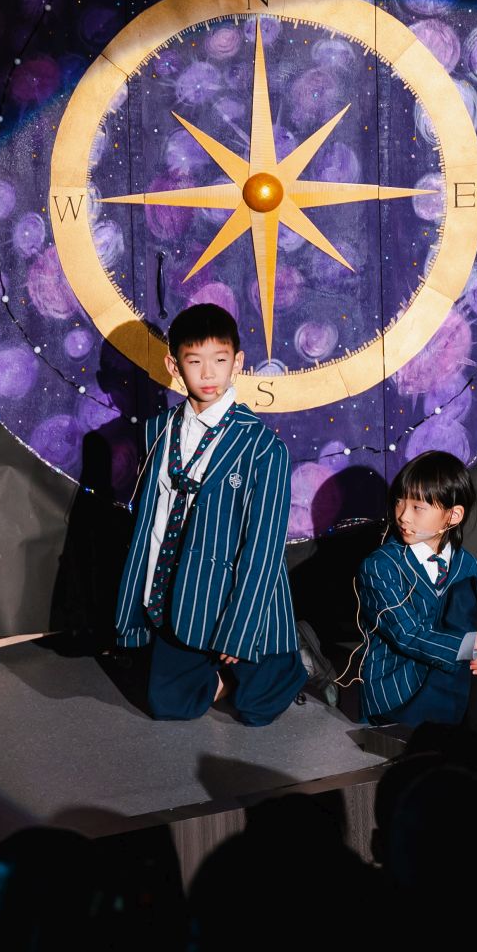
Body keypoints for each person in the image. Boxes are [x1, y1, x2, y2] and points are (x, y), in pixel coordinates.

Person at [112, 304, 305, 725]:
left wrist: (240, 628)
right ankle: (212, 665)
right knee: (169, 706)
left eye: (219, 360)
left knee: (256, 710)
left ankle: (288, 658)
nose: (208, 374)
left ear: (237, 362)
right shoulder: (157, 431)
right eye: (194, 361)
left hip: (233, 595)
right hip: (181, 594)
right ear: (174, 366)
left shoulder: (263, 447)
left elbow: (264, 549)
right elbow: (149, 521)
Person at [350, 452, 477, 749]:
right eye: (399, 502)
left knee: (476, 609)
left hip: (458, 682)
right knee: (472, 616)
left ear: (453, 516)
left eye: (417, 507)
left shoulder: (469, 565)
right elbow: (408, 636)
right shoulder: (381, 565)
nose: (403, 516)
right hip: (406, 687)